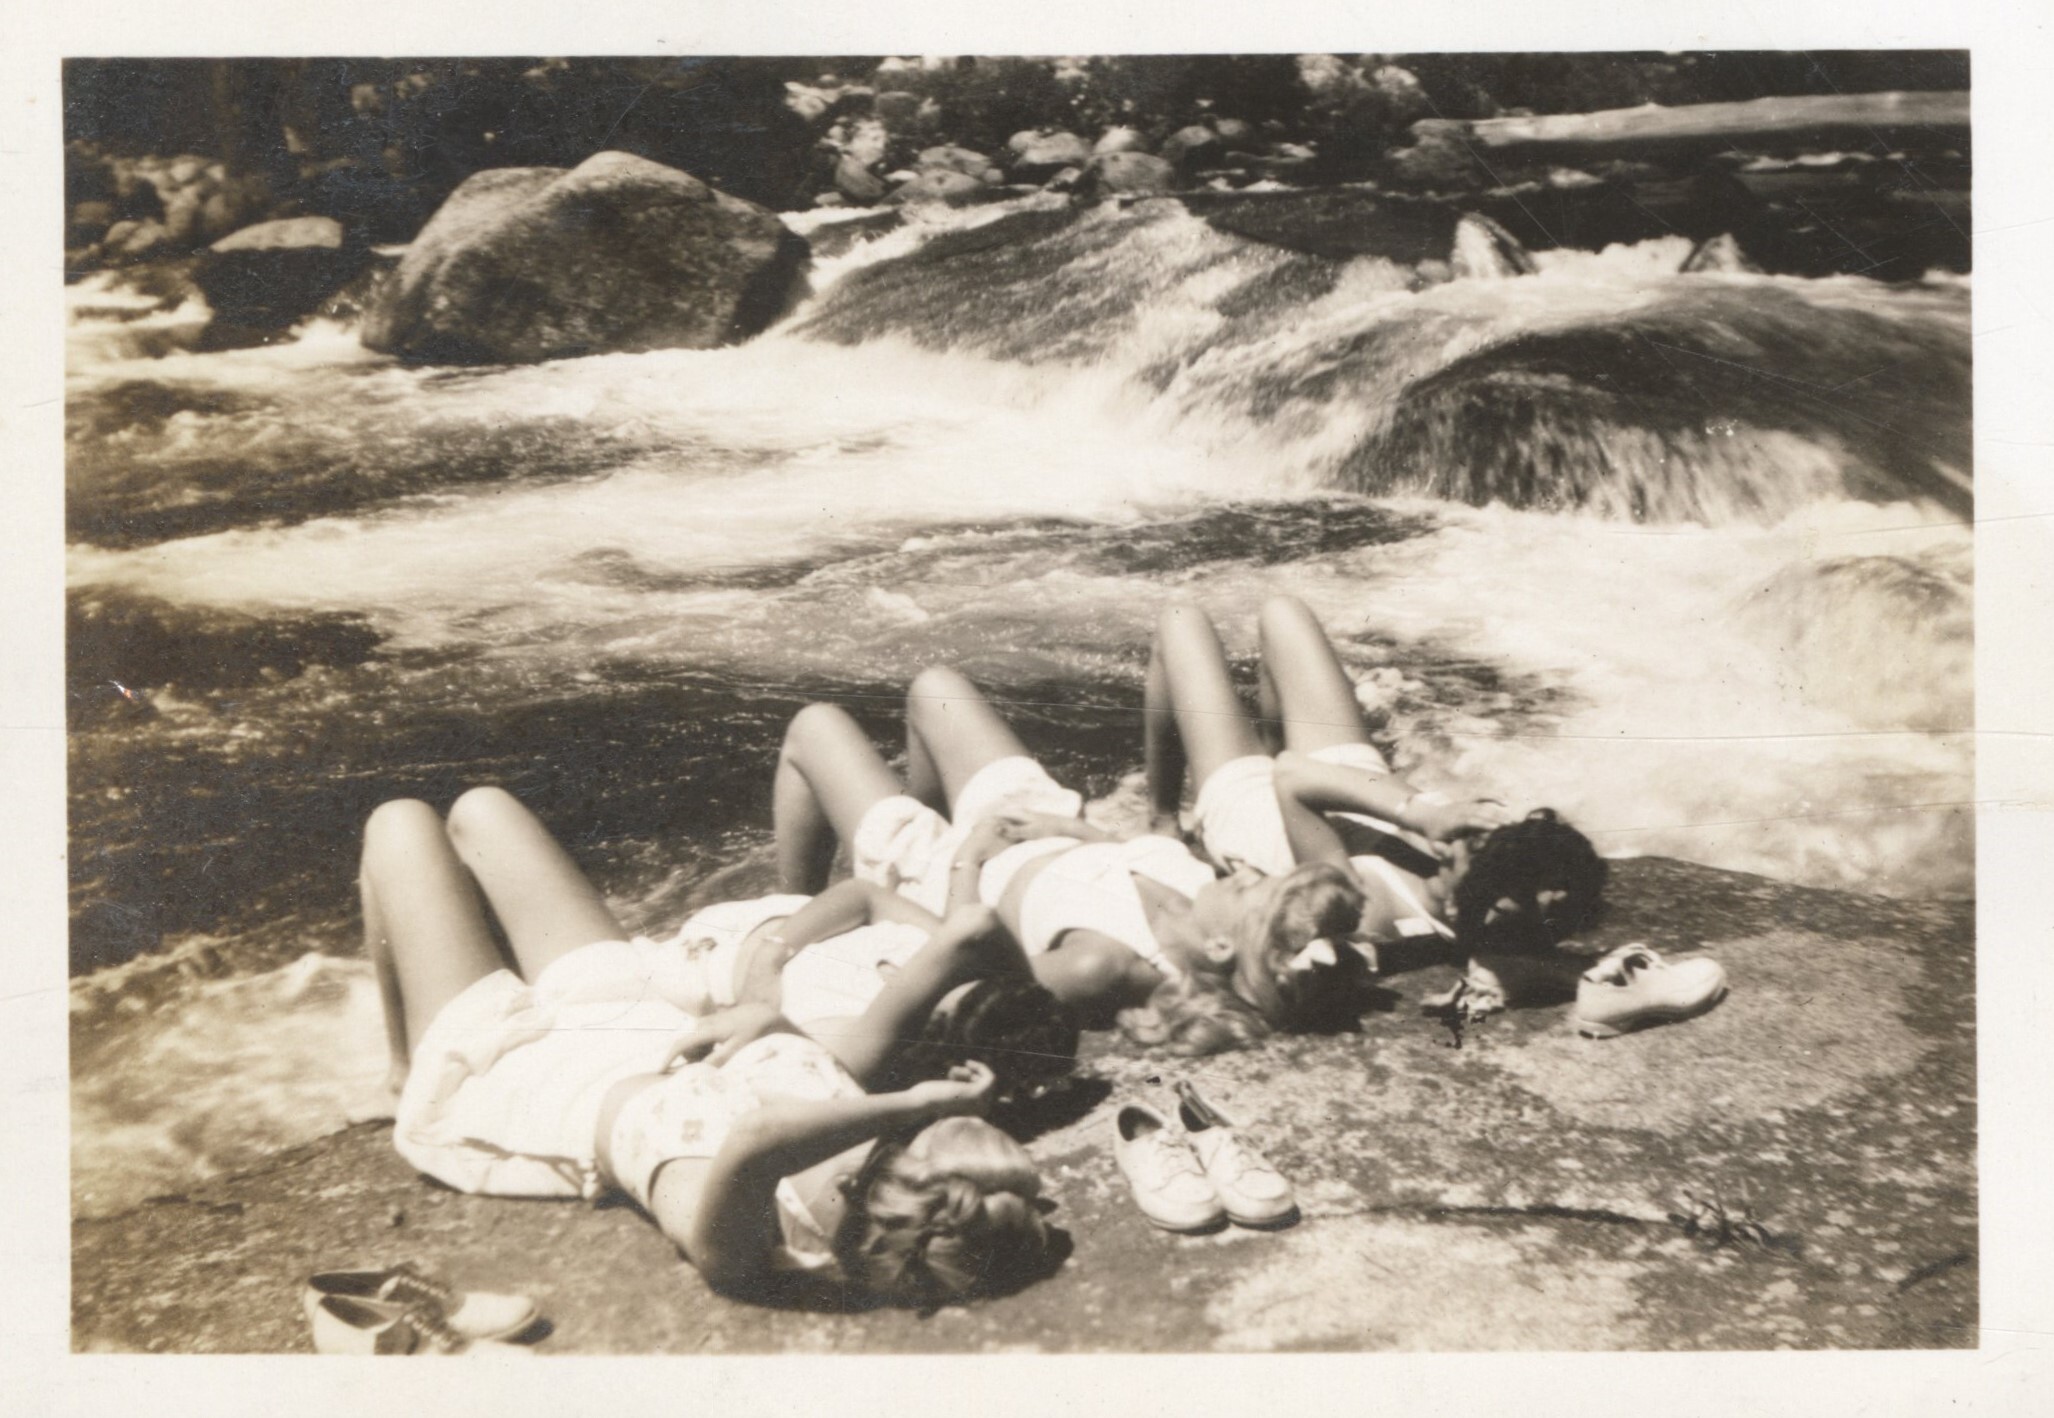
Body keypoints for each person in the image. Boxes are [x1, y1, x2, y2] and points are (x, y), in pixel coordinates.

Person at [362, 786, 1057, 1306]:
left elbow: (759, 1137)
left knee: (399, 823)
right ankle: (402, 1056)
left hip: (524, 1077)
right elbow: (792, 1077)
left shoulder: (748, 1245)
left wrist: (917, 1102)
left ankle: (403, 1071)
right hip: (629, 1012)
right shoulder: (859, 1146)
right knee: (481, 810)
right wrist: (765, 1021)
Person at [773, 668, 1370, 1057]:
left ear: (1220, 947)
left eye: (1248, 888)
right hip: (1036, 825)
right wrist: (1068, 829)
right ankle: (909, 813)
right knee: (936, 687)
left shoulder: (1100, 964)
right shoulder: (1199, 897)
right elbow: (1118, 864)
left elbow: (966, 976)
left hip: (944, 877)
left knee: (814, 726)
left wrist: (968, 861)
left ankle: (786, 908)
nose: (1240, 872)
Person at [1144, 596, 1607, 990]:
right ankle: (1263, 741)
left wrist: (1421, 815)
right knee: (1283, 612)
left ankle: (1162, 819)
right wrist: (1432, 815)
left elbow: (1290, 777)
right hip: (1349, 779)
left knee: (1181, 622)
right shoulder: (1489, 868)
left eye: (1474, 850)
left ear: (1459, 900)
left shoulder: (1365, 909)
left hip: (1258, 807)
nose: (1474, 838)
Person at [669, 875, 1081, 1105]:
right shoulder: (962, 977)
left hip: (698, 959)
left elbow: (971, 926)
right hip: (782, 916)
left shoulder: (864, 1050)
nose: (944, 981)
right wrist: (770, 955)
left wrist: (767, 957)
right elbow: (863, 893)